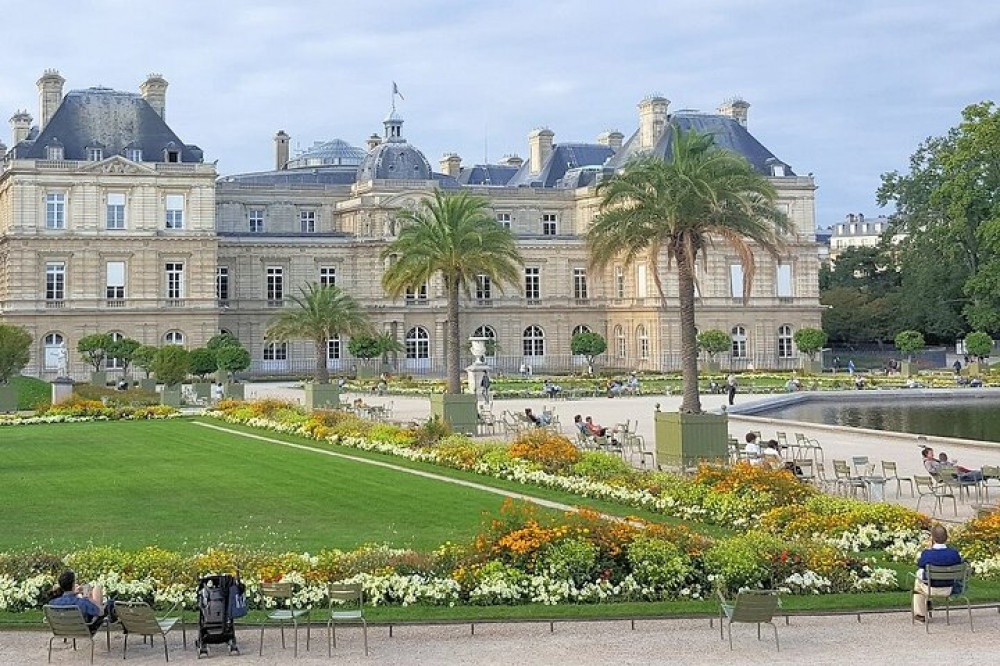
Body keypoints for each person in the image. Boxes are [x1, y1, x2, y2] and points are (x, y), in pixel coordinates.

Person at [912, 525, 964, 622]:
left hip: (931, 589)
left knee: (918, 580)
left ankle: (921, 613)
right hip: (949, 588)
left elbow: (920, 565)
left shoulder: (927, 554)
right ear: (946, 538)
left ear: (932, 538)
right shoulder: (954, 553)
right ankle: (927, 603)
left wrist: (929, 548)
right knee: (923, 576)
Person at [49, 570, 115, 634]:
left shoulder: (52, 603)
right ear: (73, 584)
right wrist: (87, 597)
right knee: (110, 603)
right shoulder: (82, 602)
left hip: (61, 630)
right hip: (83, 630)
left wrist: (74, 593)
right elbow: (101, 612)